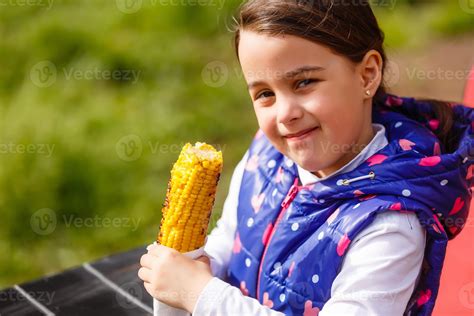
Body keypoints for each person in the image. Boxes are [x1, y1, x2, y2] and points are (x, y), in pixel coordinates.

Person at [138, 1, 474, 315]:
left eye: (304, 82)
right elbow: (229, 242)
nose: (285, 114)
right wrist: (184, 271)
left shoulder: (389, 222)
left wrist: (202, 294)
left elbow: (206, 293)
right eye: (265, 94)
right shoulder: (266, 157)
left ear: (367, 74)